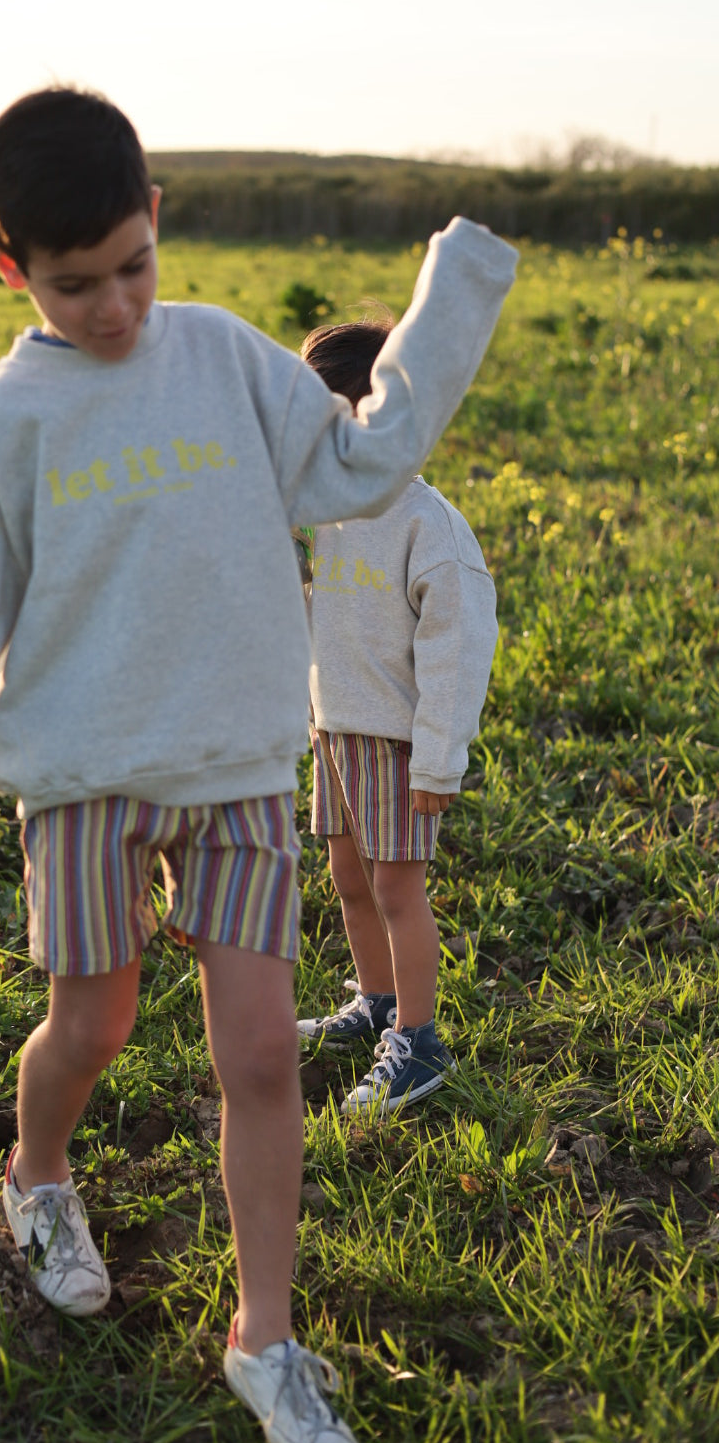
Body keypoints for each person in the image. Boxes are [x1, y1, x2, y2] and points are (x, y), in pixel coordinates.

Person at [0, 86, 516, 1443]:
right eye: (76, 284)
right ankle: (38, 1173)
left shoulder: (229, 361)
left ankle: (268, 1337)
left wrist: (458, 290)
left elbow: (367, 465)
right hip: (82, 770)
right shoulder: (10, 423)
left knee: (261, 1053)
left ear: (160, 220)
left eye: (134, 265)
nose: (116, 308)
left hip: (241, 761)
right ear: (10, 266)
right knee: (94, 1026)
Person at [294, 313, 500, 1118]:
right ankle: (375, 1003)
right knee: (349, 878)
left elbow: (457, 650)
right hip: (335, 723)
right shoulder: (322, 509)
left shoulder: (429, 527)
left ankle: (419, 1042)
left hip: (395, 737)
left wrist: (439, 760)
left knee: (395, 887)